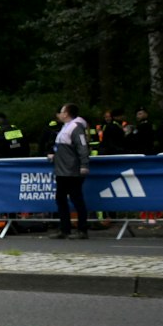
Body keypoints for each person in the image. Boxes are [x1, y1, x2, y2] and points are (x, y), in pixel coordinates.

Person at [52, 102, 91, 239]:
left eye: (62, 111)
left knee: (76, 199)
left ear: (67, 113)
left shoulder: (75, 127)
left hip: (72, 170)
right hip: (62, 170)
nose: (60, 114)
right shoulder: (66, 127)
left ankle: (82, 230)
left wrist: (84, 165)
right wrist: (55, 155)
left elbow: (82, 146)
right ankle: (65, 229)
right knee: (61, 199)